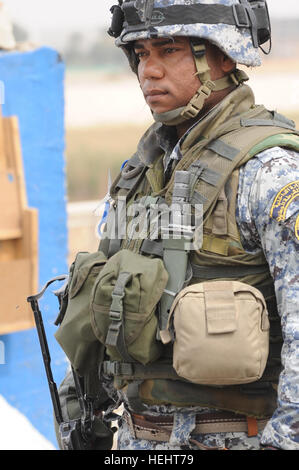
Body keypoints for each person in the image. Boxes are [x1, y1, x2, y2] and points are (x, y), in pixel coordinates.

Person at [54, 0, 299, 451]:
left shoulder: (271, 172)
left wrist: (283, 442)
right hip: (136, 440)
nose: (149, 70)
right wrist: (79, 414)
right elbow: (112, 302)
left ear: (223, 56)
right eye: (142, 54)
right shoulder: (141, 173)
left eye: (168, 50)